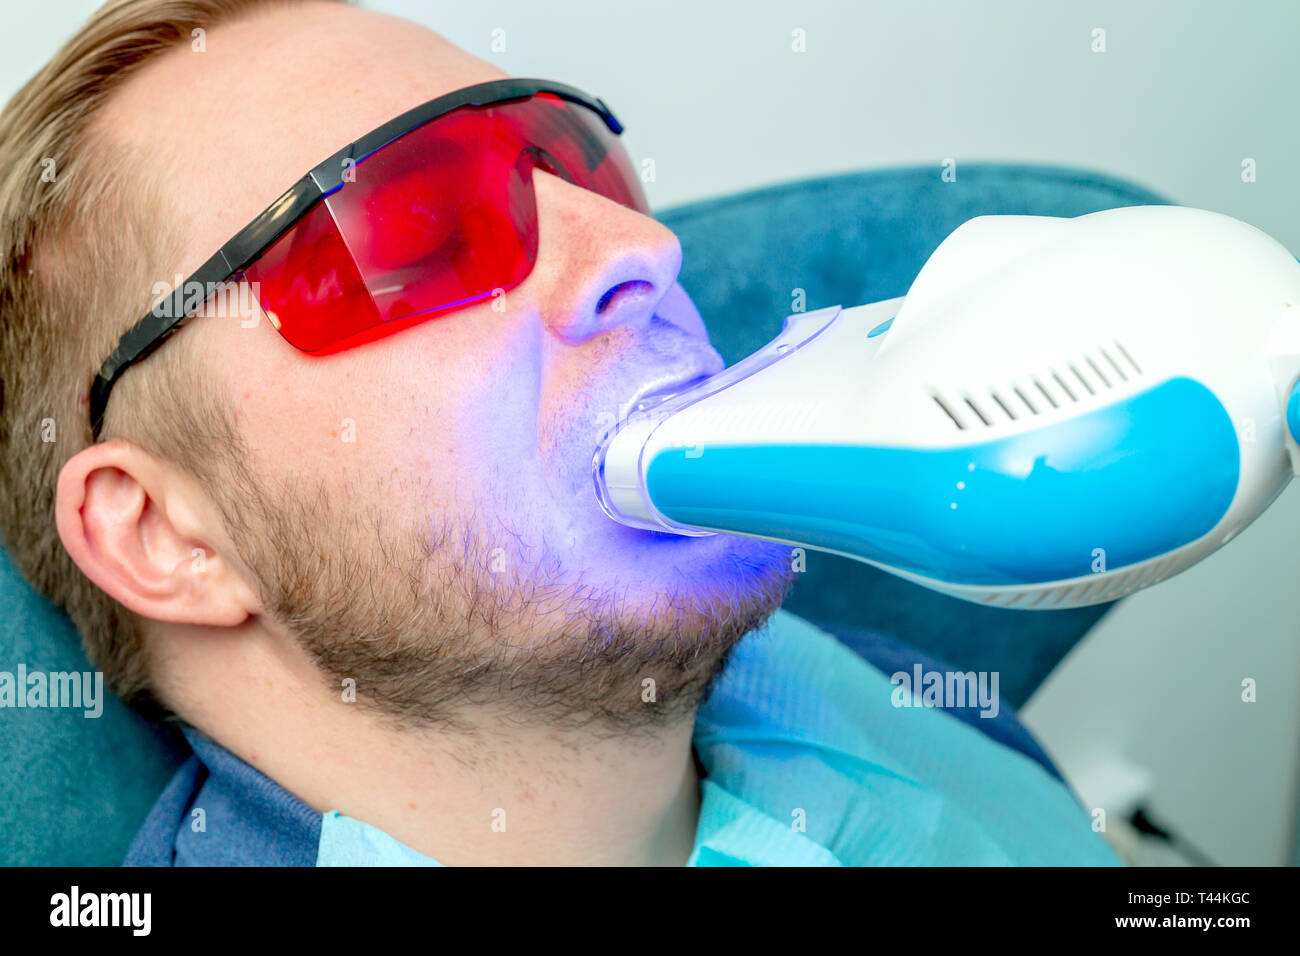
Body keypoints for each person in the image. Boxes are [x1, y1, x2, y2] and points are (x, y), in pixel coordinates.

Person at [0, 0, 1120, 866]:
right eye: (419, 225)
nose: (639, 249)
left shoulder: (895, 697)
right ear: (162, 532)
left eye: (585, 167)